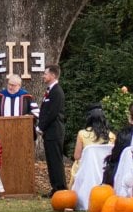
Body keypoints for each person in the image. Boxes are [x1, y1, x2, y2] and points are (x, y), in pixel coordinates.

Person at [69, 104, 115, 189]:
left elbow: (77, 156)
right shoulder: (111, 136)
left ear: (89, 118)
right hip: (104, 170)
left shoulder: (82, 134)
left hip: (87, 170)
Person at [37, 64, 67, 196]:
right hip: (49, 133)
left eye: (45, 73)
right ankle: (55, 187)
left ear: (53, 75)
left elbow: (52, 113)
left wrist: (40, 127)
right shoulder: (50, 91)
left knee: (55, 160)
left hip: (54, 132)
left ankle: (60, 188)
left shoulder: (57, 92)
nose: (43, 76)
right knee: (50, 160)